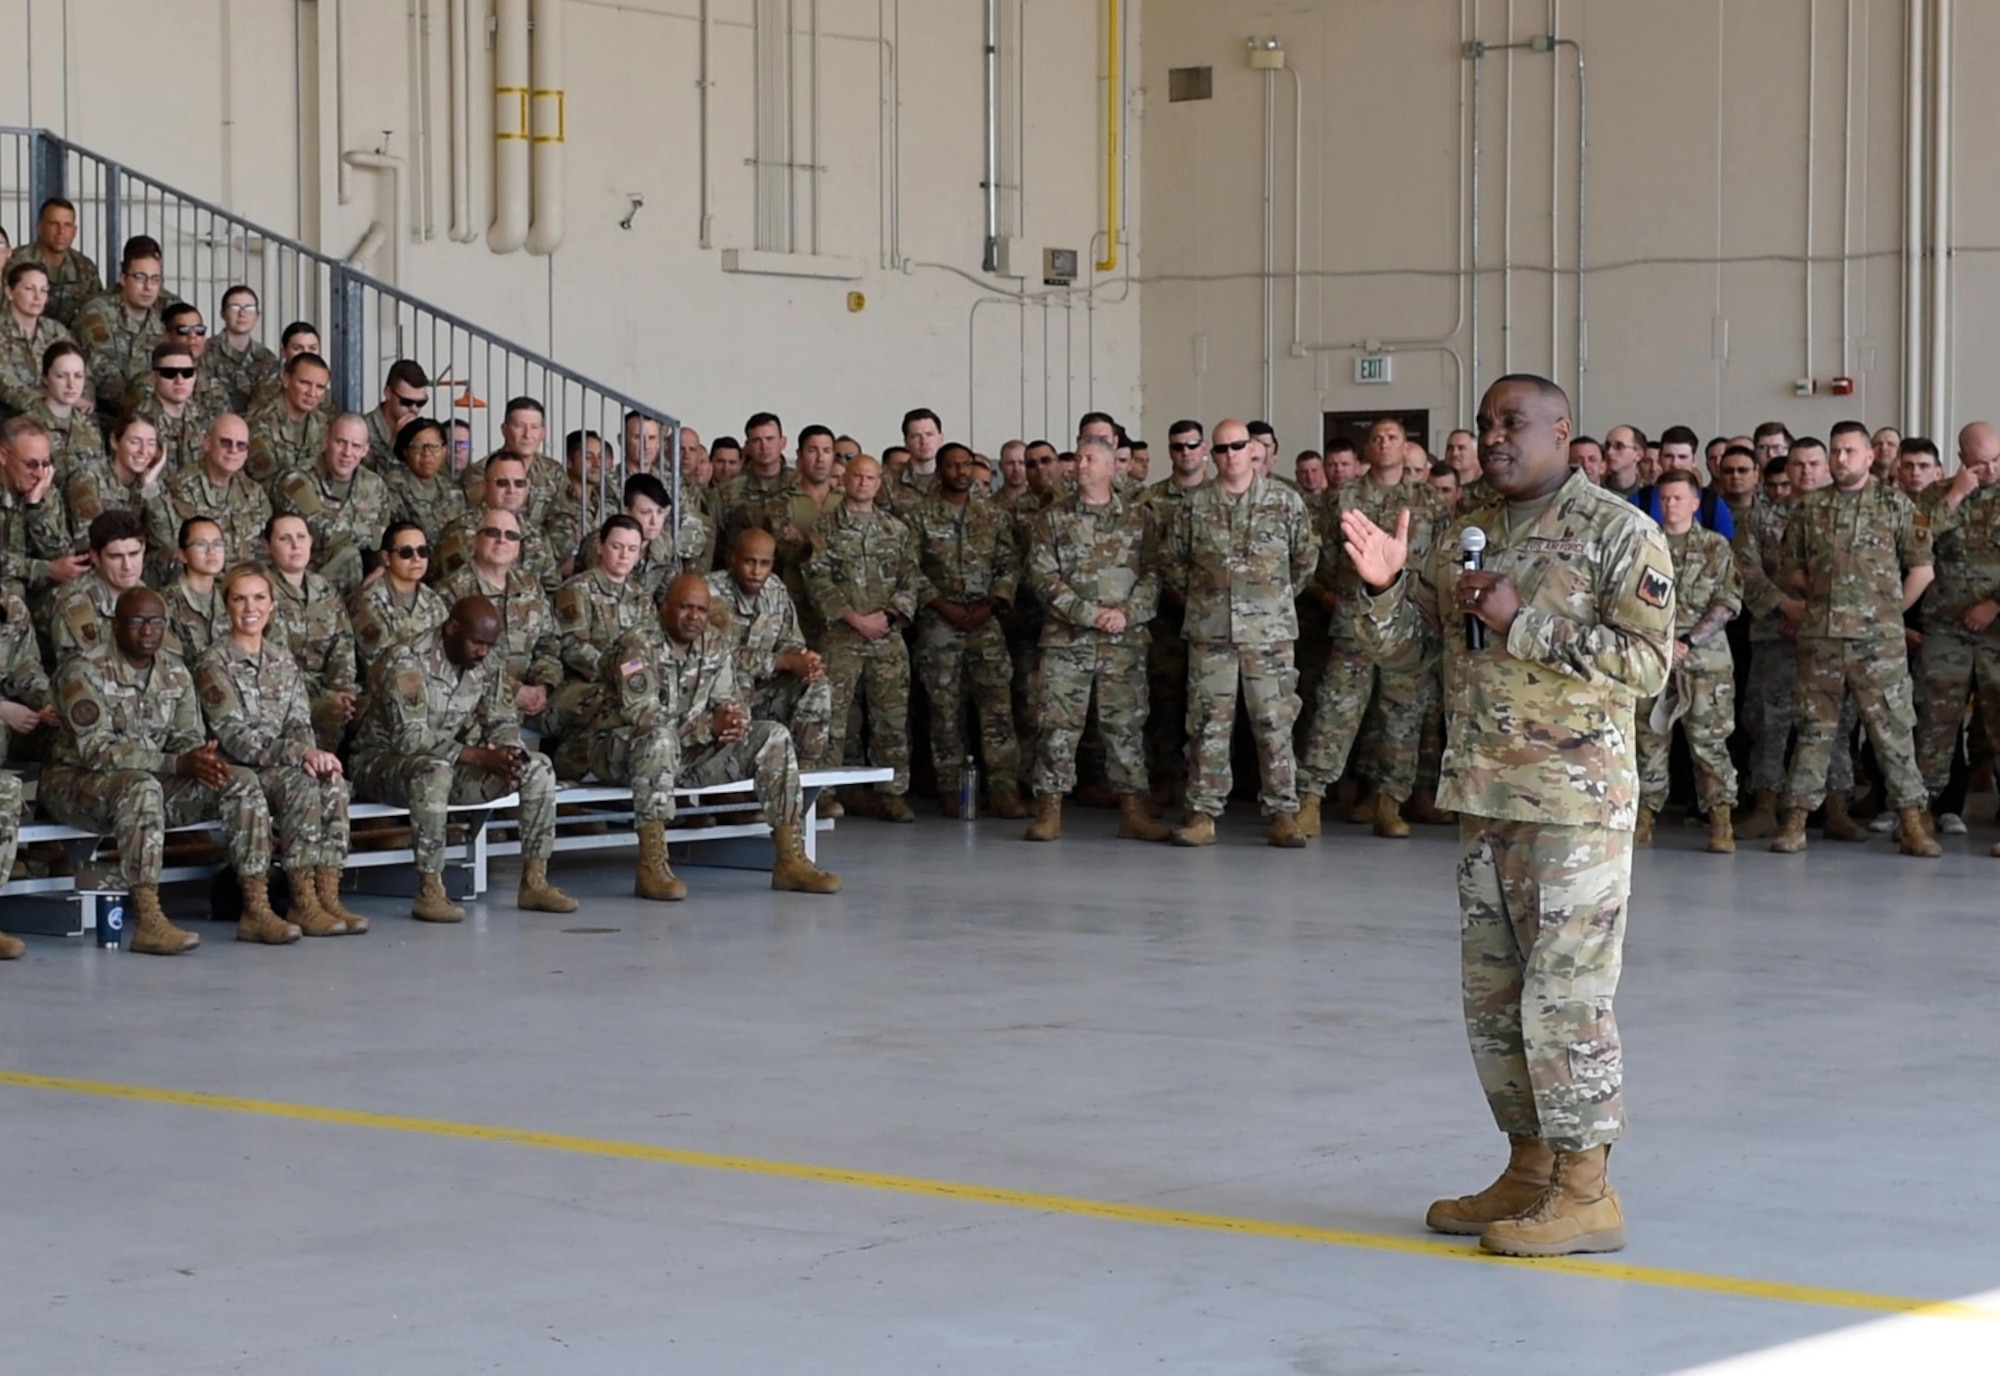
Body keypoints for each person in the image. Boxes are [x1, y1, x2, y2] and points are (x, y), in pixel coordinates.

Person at [1343, 372, 1674, 1257]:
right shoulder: (1461, 532)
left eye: (1513, 422)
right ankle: (1529, 1169)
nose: (1494, 437)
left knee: (1568, 998)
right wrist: (1382, 592)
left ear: (1562, 430)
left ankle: (1587, 1191)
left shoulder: (1617, 530)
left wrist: (1523, 620)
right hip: (1485, 799)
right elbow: (1413, 659)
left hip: (1575, 807)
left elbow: (1647, 664)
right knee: (1495, 1001)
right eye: (1486, 423)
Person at [43, 586, 285, 952]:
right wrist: (176, 763)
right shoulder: (82, 671)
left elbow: (186, 736)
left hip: (149, 779)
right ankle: (148, 918)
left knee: (239, 781)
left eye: (155, 622)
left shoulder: (175, 671)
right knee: (142, 787)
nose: (147, 631)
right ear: (115, 624)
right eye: (136, 621)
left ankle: (255, 906)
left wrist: (200, 759)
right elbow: (97, 751)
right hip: (76, 784)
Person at [590, 575, 840, 900]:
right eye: (685, 608)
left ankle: (790, 860)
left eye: (701, 610)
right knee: (660, 740)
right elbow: (643, 716)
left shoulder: (715, 644)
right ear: (665, 608)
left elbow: (728, 700)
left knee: (773, 736)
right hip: (623, 752)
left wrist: (735, 722)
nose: (694, 616)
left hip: (688, 753)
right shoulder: (635, 647)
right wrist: (709, 727)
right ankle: (652, 867)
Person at [350, 595, 576, 922]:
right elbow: (410, 738)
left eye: (489, 644)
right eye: (476, 642)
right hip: (383, 764)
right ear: (452, 628)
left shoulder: (486, 660)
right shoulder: (406, 660)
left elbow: (500, 719)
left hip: (451, 762)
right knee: (435, 771)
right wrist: (477, 756)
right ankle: (430, 890)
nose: (482, 651)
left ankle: (534, 882)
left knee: (536, 766)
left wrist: (506, 751)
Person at [1771, 421, 1940, 856]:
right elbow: (1792, 566)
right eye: (1836, 451)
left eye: (1850, 451)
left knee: (1892, 731)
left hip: (1878, 644)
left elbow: (1922, 569)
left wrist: (1888, 613)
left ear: (1869, 456)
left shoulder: (1896, 505)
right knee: (1813, 732)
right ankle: (1795, 821)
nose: (1841, 459)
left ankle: (1912, 823)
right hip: (1822, 641)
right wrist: (1821, 596)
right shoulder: (1810, 508)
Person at [1162, 418, 1318, 847]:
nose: (1230, 455)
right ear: (1213, 455)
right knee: (1207, 725)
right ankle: (1202, 814)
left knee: (1275, 722)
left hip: (1269, 636)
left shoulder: (1285, 501)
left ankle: (1284, 813)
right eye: (1221, 449)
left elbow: (1304, 559)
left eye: (1237, 446)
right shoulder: (1194, 506)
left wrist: (1272, 600)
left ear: (1255, 450)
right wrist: (1202, 601)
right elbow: (1173, 563)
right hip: (1211, 635)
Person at [197, 565, 369, 937]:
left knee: (332, 783)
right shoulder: (214, 663)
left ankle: (325, 896)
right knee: (303, 786)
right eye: (239, 598)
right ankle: (280, 904)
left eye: (259, 597)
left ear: (272, 606)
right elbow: (234, 736)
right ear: (226, 606)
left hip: (281, 764)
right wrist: (299, 754)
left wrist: (312, 755)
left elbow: (299, 721)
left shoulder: (281, 658)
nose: (250, 607)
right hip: (238, 768)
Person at [1021, 432, 1168, 843]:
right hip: (1067, 640)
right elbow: (1042, 576)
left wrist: (1126, 615)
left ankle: (1133, 810)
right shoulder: (1052, 518)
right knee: (1057, 726)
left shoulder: (1140, 518)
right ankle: (1049, 809)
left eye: (1089, 459)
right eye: (1078, 459)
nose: (1079, 465)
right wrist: (1091, 614)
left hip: (1124, 641)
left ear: (1110, 467)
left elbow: (1155, 574)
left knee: (1125, 726)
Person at [1298, 418, 1439, 839]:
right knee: (1335, 712)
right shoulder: (1344, 496)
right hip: (1355, 621)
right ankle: (1310, 799)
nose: (1384, 444)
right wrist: (1327, 594)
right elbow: (1315, 551)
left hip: (1408, 624)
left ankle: (1389, 803)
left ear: (1406, 447)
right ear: (1367, 449)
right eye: (1376, 438)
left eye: (1393, 437)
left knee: (1402, 718)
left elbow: (1439, 558)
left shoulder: (1427, 500)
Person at [908, 441, 1026, 818]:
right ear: (940, 470)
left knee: (997, 708)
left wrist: (991, 603)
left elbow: (1010, 564)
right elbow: (909, 569)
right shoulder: (919, 517)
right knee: (944, 709)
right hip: (940, 621)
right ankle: (950, 788)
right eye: (952, 465)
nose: (960, 471)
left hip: (985, 619)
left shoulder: (992, 515)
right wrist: (943, 605)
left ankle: (1004, 789)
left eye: (966, 465)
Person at [803, 454, 921, 821]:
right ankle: (823, 793)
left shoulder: (896, 530)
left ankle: (892, 792)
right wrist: (854, 618)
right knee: (833, 718)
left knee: (892, 718)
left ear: (879, 482)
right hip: (841, 635)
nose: (863, 483)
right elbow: (817, 580)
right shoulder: (824, 529)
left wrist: (886, 617)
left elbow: (910, 579)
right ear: (845, 480)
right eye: (857, 476)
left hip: (886, 636)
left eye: (871, 477)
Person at [1634, 469, 1742, 851]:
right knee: (1649, 741)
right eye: (1664, 498)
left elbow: (1728, 602)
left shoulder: (1716, 547)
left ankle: (1720, 819)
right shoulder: (1644, 546)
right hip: (1653, 660)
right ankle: (1644, 815)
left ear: (1696, 503)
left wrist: (1688, 641)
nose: (1670, 504)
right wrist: (1661, 643)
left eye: (1678, 498)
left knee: (1709, 744)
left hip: (1705, 663)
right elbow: (1629, 603)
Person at [1911, 422, 2000, 840]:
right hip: (1946, 627)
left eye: (1998, 460)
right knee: (1935, 720)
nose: (1991, 471)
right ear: (1963, 459)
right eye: (1981, 463)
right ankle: (1925, 811)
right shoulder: (1935, 495)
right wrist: (1956, 495)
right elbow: (1916, 544)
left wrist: (1994, 605)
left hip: (1997, 628)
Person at [704, 529, 833, 780]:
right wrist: (783, 661)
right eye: (749, 561)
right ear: (733, 559)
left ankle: (804, 777)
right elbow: (718, 656)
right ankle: (730, 788)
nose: (756, 571)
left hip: (764, 691)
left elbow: (789, 641)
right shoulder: (710, 592)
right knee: (734, 689)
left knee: (817, 684)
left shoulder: (775, 590)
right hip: (722, 692)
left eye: (764, 563)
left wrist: (805, 660)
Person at [436, 505, 564, 731]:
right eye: (493, 532)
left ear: (517, 549)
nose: (502, 540)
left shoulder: (531, 587)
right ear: (475, 541)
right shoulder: (452, 592)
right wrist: (514, 690)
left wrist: (543, 687)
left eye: (511, 536)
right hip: (478, 703)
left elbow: (548, 644)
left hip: (535, 701)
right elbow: (452, 660)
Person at [1140, 420, 1208, 808]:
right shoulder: (1151, 500)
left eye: (1192, 445)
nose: (1185, 452)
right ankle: (1165, 780)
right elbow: (1147, 558)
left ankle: (1204, 785)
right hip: (1166, 618)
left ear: (1204, 449)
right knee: (1165, 705)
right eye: (1178, 446)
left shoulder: (1220, 497)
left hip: (1211, 620)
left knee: (1209, 708)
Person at [263, 513, 363, 753]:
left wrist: (343, 690)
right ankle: (323, 775)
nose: (295, 545)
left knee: (372, 707)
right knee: (333, 709)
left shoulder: (323, 588)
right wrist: (328, 696)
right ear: (267, 546)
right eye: (285, 539)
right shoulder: (261, 590)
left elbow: (343, 644)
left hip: (330, 688)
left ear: (310, 542)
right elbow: (276, 659)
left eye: (300, 537)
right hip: (283, 691)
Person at [146, 414, 272, 593]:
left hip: (244, 590)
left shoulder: (254, 493)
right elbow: (169, 543)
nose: (233, 451)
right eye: (226, 443)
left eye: (241, 446)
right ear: (206, 443)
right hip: (200, 588)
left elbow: (265, 550)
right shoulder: (180, 488)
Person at [273, 412, 392, 596]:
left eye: (356, 446)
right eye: (341, 442)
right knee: (348, 555)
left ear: (365, 450)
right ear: (326, 439)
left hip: (362, 585)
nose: (347, 453)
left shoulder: (375, 486)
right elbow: (322, 531)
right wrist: (374, 534)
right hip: (305, 581)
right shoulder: (297, 479)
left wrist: (382, 570)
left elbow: (387, 543)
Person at [461, 397, 584, 576]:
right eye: (519, 426)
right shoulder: (480, 473)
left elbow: (565, 520)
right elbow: (473, 523)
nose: (527, 435)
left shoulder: (553, 471)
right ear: (504, 429)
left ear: (543, 433)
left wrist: (544, 557)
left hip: (540, 563)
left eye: (534, 427)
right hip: (491, 564)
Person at [436, 453, 562, 591]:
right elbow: (451, 587)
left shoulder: (536, 534)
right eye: (503, 483)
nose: (512, 490)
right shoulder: (462, 531)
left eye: (519, 483)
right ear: (485, 485)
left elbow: (551, 589)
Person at [74, 235, 168, 417]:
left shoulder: (157, 325)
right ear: (123, 279)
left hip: (141, 416)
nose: (148, 287)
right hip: (99, 413)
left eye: (155, 279)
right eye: (140, 277)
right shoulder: (98, 313)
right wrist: (141, 406)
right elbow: (103, 374)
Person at [50, 510, 156, 665]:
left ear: (144, 549)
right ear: (95, 557)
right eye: (116, 557)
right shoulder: (74, 604)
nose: (127, 566)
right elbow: (83, 671)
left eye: (134, 554)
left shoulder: (144, 593)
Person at [351, 520, 449, 678]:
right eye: (406, 553)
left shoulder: (432, 599)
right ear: (386, 558)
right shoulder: (369, 602)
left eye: (422, 551)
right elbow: (381, 664)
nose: (416, 559)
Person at [7, 198, 100, 328]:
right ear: (39, 227)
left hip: (69, 342)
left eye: (67, 225)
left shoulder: (84, 267)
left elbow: (94, 311)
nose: (61, 231)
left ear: (75, 231)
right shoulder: (17, 262)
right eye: (53, 224)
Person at [0, 261, 75, 417]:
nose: (37, 297)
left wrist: (81, 397)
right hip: (11, 419)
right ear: (9, 292)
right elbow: (5, 385)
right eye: (29, 289)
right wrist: (50, 403)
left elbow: (81, 371)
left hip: (59, 411)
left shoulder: (55, 331)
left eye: (43, 290)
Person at [246, 351, 332, 484]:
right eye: (305, 383)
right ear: (286, 380)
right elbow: (268, 482)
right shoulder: (260, 424)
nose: (312, 393)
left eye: (320, 387)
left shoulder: (322, 424)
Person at [131, 342, 215, 473]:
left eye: (187, 373)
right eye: (170, 373)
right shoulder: (138, 422)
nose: (180, 380)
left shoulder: (205, 418)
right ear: (154, 377)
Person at [27, 340, 105, 476]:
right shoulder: (27, 427)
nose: (71, 384)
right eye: (61, 376)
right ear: (45, 378)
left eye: (78, 376)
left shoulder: (90, 427)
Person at [383, 417, 468, 539]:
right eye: (418, 447)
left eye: (434, 447)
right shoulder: (392, 486)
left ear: (444, 451)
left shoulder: (453, 491)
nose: (427, 454)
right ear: (406, 452)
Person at [164, 516, 229, 662]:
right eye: (201, 544)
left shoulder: (231, 594)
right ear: (183, 555)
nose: (211, 551)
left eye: (218, 544)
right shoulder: (167, 603)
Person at [210, 285, 279, 415]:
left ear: (257, 316)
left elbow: (269, 403)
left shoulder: (267, 358)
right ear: (223, 314)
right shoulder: (206, 352)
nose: (242, 314)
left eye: (249, 308)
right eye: (235, 307)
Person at [363, 361, 432, 473]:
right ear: (388, 393)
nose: (414, 409)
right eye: (406, 402)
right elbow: (371, 482)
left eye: (421, 403)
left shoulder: (422, 430)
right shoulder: (362, 430)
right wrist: (395, 442)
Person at [883, 407, 944, 512]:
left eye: (929, 434)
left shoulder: (955, 478)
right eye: (916, 436)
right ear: (906, 442)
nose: (924, 442)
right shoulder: (888, 481)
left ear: (941, 438)